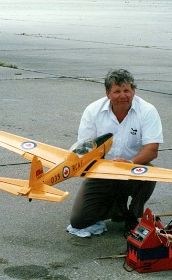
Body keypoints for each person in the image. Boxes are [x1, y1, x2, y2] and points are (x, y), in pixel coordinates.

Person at [67, 69, 163, 237]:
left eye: (127, 90)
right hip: (102, 170)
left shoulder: (147, 111)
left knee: (150, 173)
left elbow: (152, 149)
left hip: (132, 168)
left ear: (134, 91)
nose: (123, 96)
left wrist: (130, 164)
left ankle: (133, 216)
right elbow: (84, 147)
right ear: (108, 93)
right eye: (117, 91)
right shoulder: (93, 110)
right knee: (78, 221)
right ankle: (116, 207)